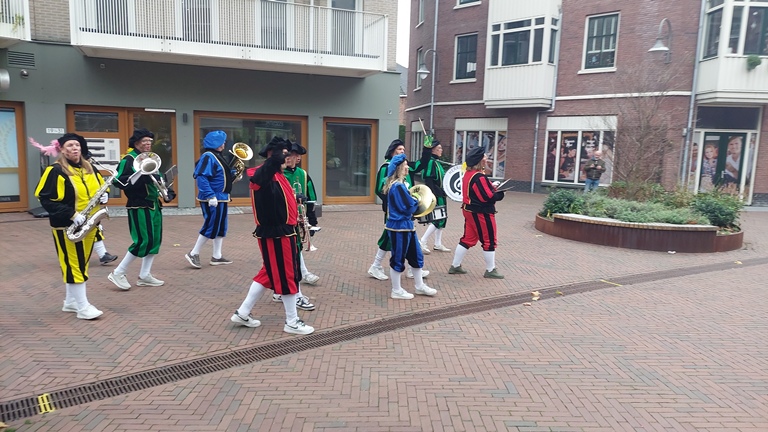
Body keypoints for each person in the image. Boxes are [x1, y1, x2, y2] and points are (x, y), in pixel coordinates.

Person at [229, 136, 315, 335]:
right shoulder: (262, 174)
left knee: (268, 272)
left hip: (285, 231)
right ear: (274, 156)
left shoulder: (278, 175)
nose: (289, 158)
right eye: (285, 154)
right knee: (287, 276)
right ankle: (292, 321)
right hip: (276, 234)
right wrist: (276, 157)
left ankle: (243, 312)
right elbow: (260, 179)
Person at [34, 133, 107, 319]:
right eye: (69, 145)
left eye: (77, 145)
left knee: (81, 263)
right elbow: (45, 199)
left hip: (89, 224)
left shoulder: (90, 169)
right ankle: (83, 307)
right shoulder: (55, 170)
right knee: (74, 265)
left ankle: (70, 302)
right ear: (62, 149)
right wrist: (71, 215)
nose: (74, 148)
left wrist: (104, 197)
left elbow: (98, 190)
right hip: (67, 226)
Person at [108, 128, 176, 291]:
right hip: (138, 204)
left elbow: (159, 178)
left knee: (154, 240)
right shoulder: (129, 159)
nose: (148, 144)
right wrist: (141, 176)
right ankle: (118, 272)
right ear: (136, 142)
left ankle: (145, 275)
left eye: (150, 142)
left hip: (154, 204)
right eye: (145, 141)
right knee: (142, 240)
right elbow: (119, 182)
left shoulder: (150, 158)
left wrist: (169, 192)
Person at [367, 139, 430, 281]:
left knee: (404, 239)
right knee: (389, 238)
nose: (402, 152)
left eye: (403, 149)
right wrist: (396, 203)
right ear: (392, 151)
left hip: (406, 210)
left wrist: (426, 149)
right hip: (394, 211)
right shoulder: (387, 167)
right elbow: (379, 188)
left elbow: (421, 165)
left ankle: (410, 268)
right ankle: (376, 265)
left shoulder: (405, 166)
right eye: (399, 149)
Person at [382, 154, 437, 299]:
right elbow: (408, 206)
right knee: (398, 257)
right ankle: (396, 290)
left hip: (406, 226)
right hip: (399, 227)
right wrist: (415, 200)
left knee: (415, 255)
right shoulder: (398, 186)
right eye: (405, 165)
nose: (408, 167)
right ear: (399, 168)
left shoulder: (399, 185)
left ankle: (419, 286)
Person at [448, 147, 505, 279]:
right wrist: (501, 194)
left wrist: (492, 186)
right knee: (489, 240)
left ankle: (455, 266)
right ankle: (490, 269)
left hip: (469, 210)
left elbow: (480, 191)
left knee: (468, 239)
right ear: (480, 160)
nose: (486, 158)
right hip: (481, 212)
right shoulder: (479, 176)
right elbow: (487, 197)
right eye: (484, 156)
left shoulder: (469, 174)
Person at [185, 130, 235, 269]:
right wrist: (210, 195)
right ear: (216, 143)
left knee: (220, 226)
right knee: (211, 225)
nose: (224, 144)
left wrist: (233, 174)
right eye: (222, 141)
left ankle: (217, 256)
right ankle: (193, 253)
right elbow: (201, 177)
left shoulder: (217, 156)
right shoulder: (208, 156)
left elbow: (221, 173)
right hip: (214, 198)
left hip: (222, 197)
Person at [279, 140, 321, 285]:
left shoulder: (302, 174)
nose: (293, 158)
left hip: (298, 217)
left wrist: (312, 220)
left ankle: (302, 272)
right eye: (290, 155)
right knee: (287, 250)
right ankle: (300, 274)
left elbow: (311, 198)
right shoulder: (279, 173)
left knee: (296, 246)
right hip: (283, 218)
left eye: (296, 155)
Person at [418, 140, 451, 253]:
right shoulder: (431, 162)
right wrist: (434, 193)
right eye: (439, 148)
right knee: (438, 218)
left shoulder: (437, 162)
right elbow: (428, 178)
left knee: (442, 217)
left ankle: (438, 243)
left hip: (441, 193)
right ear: (433, 150)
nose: (441, 150)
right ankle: (422, 241)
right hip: (436, 194)